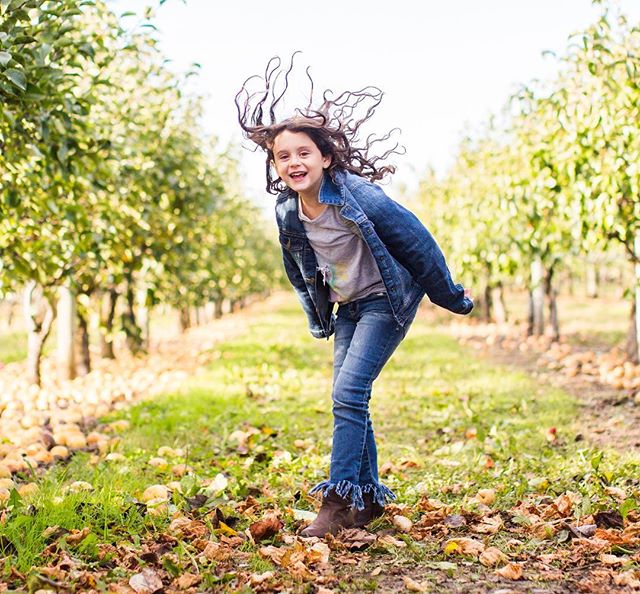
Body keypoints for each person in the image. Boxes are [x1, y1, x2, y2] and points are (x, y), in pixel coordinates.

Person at [235, 55, 473, 538]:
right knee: (349, 398)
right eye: (283, 156)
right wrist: (318, 318)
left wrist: (450, 297)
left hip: (388, 301)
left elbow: (415, 242)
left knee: (348, 393)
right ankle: (368, 500)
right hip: (349, 307)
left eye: (303, 153)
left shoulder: (360, 196)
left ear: (324, 158)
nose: (294, 163)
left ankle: (338, 497)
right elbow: (301, 273)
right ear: (275, 166)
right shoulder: (288, 214)